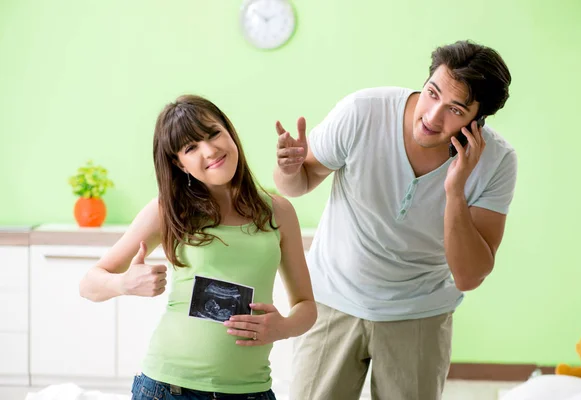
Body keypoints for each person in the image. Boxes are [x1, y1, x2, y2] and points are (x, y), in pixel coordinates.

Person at [273, 40, 517, 400]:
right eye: (432, 93)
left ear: (477, 120)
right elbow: (298, 184)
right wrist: (288, 169)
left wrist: (455, 189)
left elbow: (468, 276)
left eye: (454, 109)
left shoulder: (498, 162)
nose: (432, 116)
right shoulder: (363, 112)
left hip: (419, 313)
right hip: (333, 299)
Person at [79, 95, 317, 400]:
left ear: (229, 132)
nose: (210, 150)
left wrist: (281, 328)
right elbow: (89, 284)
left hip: (251, 392)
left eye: (213, 133)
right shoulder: (168, 210)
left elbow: (306, 307)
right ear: (180, 163)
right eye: (191, 148)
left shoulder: (278, 212)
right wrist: (123, 282)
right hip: (170, 389)